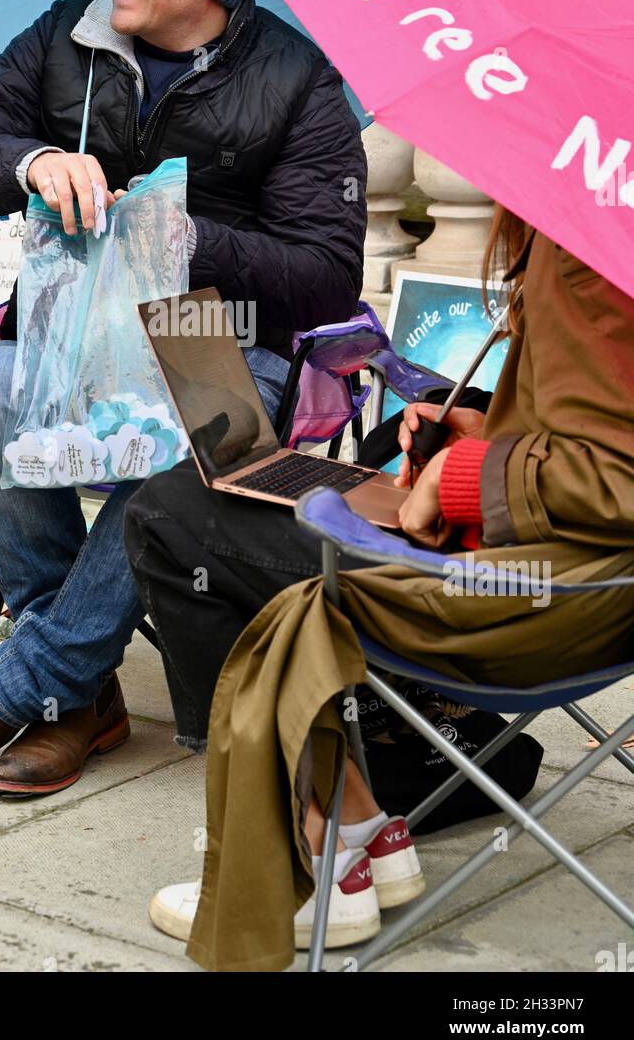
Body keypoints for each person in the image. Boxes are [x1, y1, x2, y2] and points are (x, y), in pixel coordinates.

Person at [0, 0, 368, 800]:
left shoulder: (296, 79)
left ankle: (31, 688)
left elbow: (324, 277)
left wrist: (184, 234)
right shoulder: (71, 34)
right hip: (72, 333)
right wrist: (27, 164)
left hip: (216, 338)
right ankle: (83, 685)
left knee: (189, 428)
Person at [124, 210, 634, 964]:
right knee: (272, 489)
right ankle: (362, 823)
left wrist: (458, 479)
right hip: (587, 595)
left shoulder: (589, 243)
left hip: (537, 604)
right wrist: (477, 433)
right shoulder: (598, 216)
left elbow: (617, 477)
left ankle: (316, 852)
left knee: (171, 516)